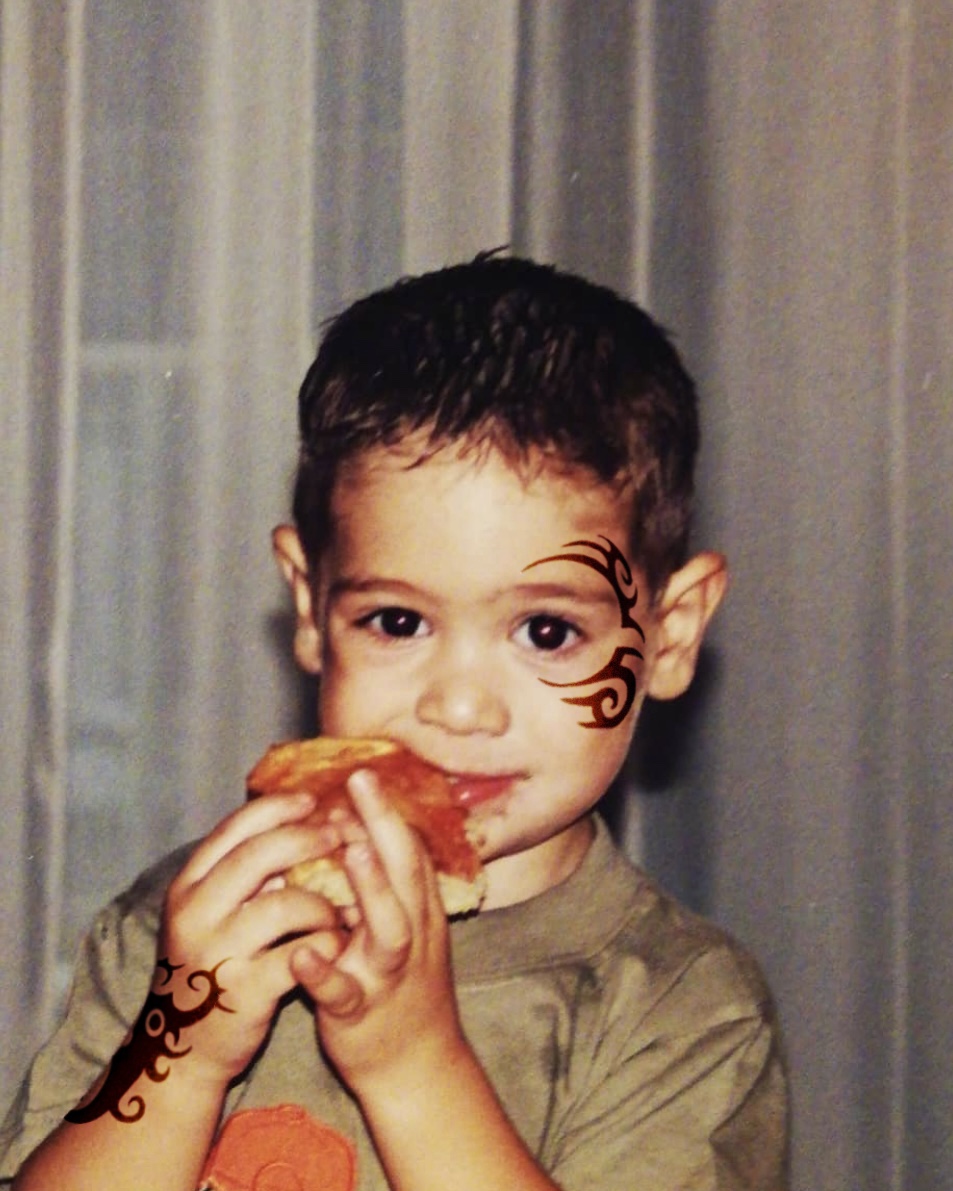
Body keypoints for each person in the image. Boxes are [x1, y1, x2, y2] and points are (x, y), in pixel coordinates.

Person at [1, 254, 788, 1190]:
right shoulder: (190, 927)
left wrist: (414, 1067)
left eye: (546, 631)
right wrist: (181, 1055)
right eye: (397, 622)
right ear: (310, 605)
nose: (457, 704)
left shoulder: (681, 1007)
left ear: (670, 634)